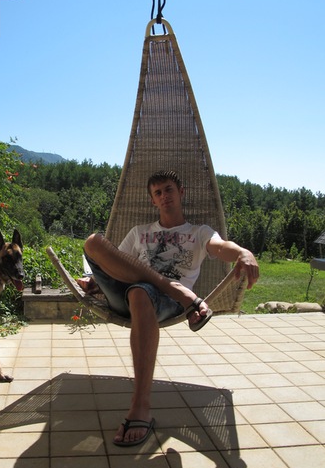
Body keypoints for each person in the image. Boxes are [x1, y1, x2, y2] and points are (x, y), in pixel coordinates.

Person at [79, 170, 259, 447]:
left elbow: (221, 247)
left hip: (163, 303)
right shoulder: (139, 232)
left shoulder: (199, 233)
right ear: (153, 200)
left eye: (168, 189)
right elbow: (118, 264)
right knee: (93, 242)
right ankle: (180, 291)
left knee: (141, 292)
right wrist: (94, 282)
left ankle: (140, 407)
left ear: (181, 192)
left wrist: (242, 253)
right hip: (127, 294)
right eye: (158, 193)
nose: (164, 196)